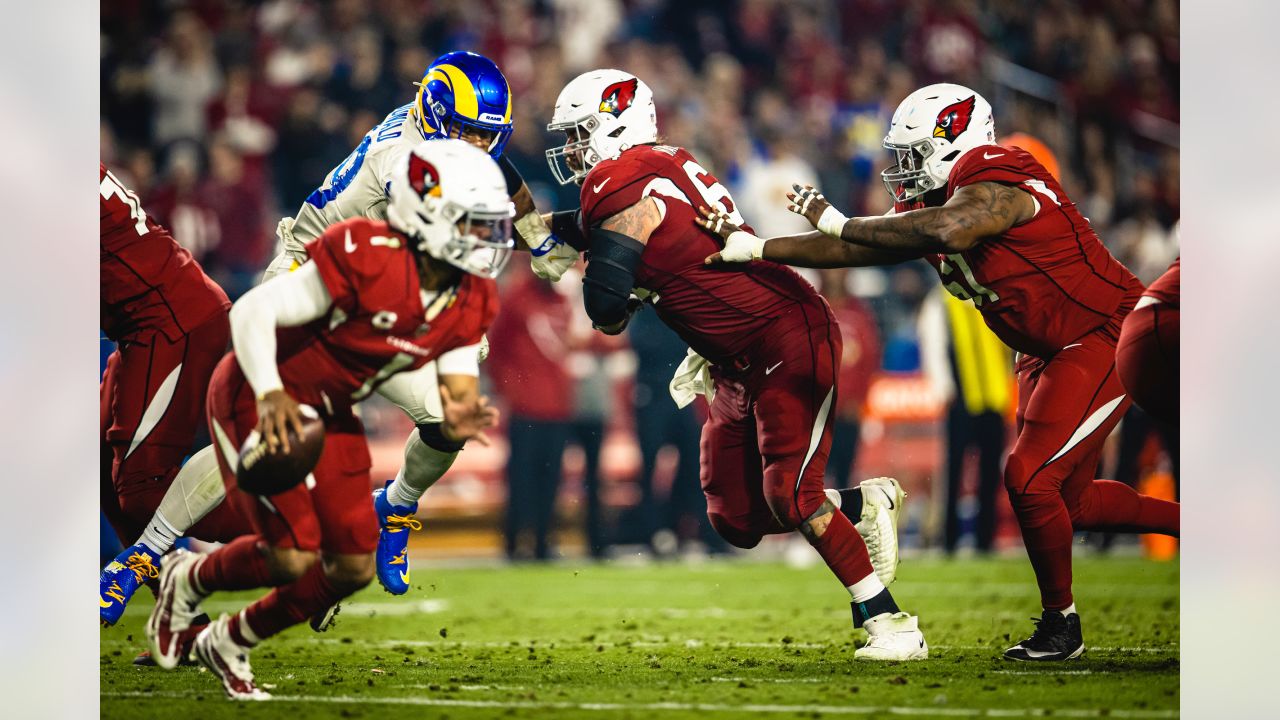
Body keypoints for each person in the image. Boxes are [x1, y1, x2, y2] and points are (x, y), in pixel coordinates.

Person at [699, 83, 1180, 662]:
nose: (902, 171)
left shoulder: (998, 174)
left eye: (913, 154)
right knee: (1064, 500)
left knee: (1028, 479)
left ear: (955, 142)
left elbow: (951, 228)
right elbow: (861, 251)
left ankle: (1062, 625)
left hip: (1102, 333)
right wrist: (759, 248)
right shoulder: (933, 207)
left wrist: (837, 220)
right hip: (1045, 349)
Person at [107, 51, 581, 613]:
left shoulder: (445, 148)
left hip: (382, 285)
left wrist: (539, 234)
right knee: (265, 429)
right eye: (465, 134)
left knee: (448, 419)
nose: (475, 149)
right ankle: (142, 556)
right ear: (432, 116)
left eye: (485, 136)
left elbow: (502, 178)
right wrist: (551, 240)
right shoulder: (398, 161)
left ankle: (395, 507)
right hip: (314, 272)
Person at [545, 69, 926, 660]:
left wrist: (601, 270)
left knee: (790, 492)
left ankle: (890, 622)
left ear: (615, 126)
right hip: (733, 360)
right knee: (734, 518)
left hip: (784, 332)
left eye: (579, 134)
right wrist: (513, 231)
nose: (571, 150)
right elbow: (594, 236)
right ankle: (860, 504)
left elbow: (606, 310)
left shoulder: (622, 179)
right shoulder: (655, 168)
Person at [145, 139, 508, 699]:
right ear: (426, 214)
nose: (486, 241)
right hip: (261, 390)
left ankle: (229, 639)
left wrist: (460, 414)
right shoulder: (365, 251)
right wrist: (269, 394)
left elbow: (458, 378)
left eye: (490, 225)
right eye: (472, 224)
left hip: (331, 405)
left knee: (351, 569)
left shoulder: (470, 292)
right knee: (291, 554)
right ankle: (184, 577)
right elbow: (254, 311)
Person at [99, 164, 253, 628]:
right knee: (100, 465)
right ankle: (182, 620)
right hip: (151, 322)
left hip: (169, 322)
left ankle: (312, 533)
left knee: (143, 489)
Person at [918, 287, 1011, 554]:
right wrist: (943, 388)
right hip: (959, 398)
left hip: (993, 397)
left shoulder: (991, 293)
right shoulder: (941, 300)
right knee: (955, 471)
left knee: (991, 471)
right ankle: (948, 540)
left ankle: (985, 539)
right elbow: (933, 344)